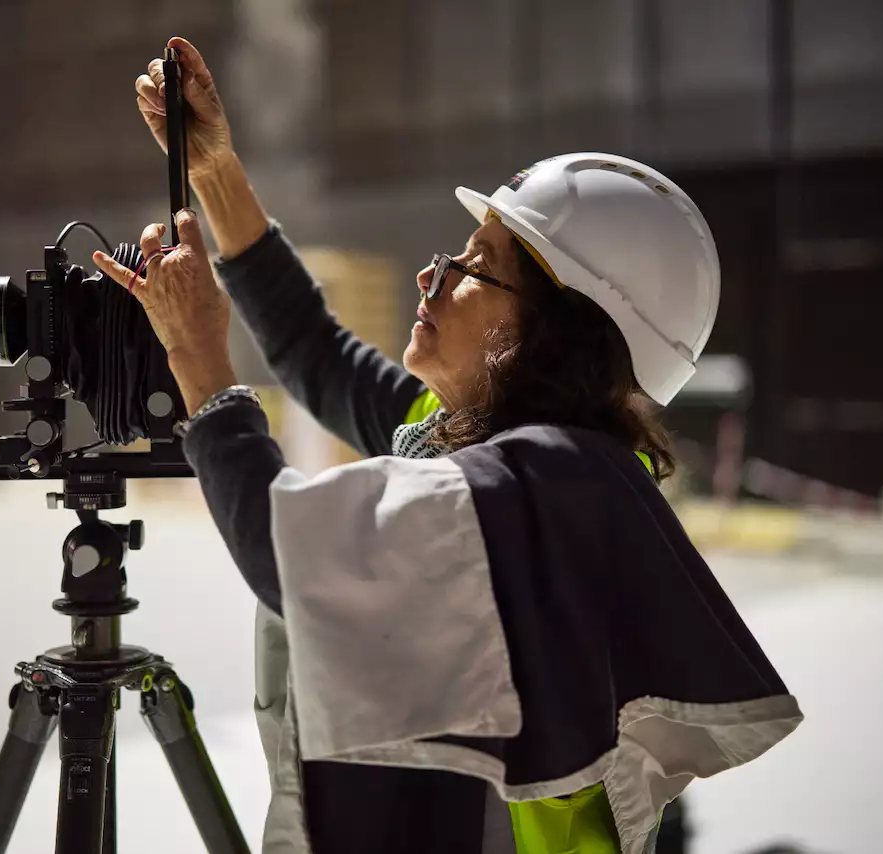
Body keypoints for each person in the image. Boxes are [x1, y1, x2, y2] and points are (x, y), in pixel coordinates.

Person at [94, 36, 803, 854]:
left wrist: (197, 354)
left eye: (479, 266)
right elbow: (317, 354)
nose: (436, 276)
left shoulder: (540, 487)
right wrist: (216, 172)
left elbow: (284, 553)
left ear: (557, 333)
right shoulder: (492, 445)